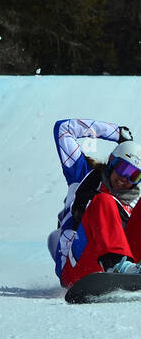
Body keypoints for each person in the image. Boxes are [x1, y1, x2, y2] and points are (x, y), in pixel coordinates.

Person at [48, 120, 141, 287]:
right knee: (104, 201)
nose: (124, 179)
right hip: (76, 264)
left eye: (133, 176)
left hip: (128, 266)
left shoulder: (132, 204)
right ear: (112, 161)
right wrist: (117, 134)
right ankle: (116, 265)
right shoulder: (83, 176)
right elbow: (63, 130)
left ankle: (126, 269)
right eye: (122, 168)